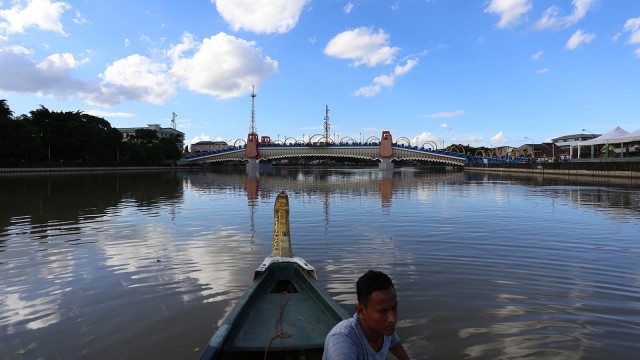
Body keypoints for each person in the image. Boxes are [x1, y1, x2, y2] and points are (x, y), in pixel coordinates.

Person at [323, 270, 409, 359]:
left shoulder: (385, 330)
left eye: (394, 308)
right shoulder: (342, 341)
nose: (393, 319)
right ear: (361, 311)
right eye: (383, 311)